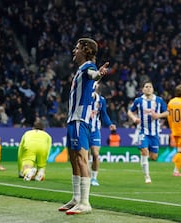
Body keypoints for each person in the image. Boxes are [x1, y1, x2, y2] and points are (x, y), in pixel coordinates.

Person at [58, 38, 110, 215]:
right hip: (73, 118)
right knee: (73, 158)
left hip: (81, 119)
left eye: (77, 48)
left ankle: (85, 202)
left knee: (81, 158)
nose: (74, 51)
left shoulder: (89, 66)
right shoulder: (81, 69)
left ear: (85, 50)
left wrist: (100, 74)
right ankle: (76, 198)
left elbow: (94, 76)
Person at [127, 81, 169, 184]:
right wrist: (134, 118)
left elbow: (167, 112)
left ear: (153, 89)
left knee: (154, 157)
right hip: (142, 131)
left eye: (150, 87)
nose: (148, 88)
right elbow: (130, 111)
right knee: (144, 151)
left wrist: (158, 116)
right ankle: (147, 176)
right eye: (146, 87)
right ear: (143, 89)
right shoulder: (138, 101)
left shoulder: (159, 100)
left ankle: (146, 153)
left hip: (155, 133)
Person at [89, 81, 116, 186]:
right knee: (84, 156)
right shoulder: (84, 97)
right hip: (83, 129)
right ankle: (84, 177)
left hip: (95, 130)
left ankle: (94, 178)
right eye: (95, 84)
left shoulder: (101, 100)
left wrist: (109, 124)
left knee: (95, 154)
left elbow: (104, 114)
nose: (98, 85)